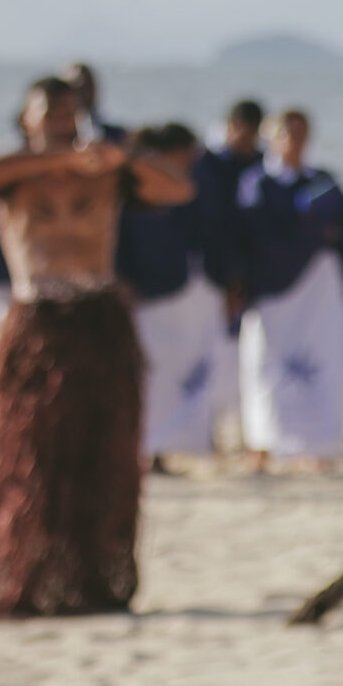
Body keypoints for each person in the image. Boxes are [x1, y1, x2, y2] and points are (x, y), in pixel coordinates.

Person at [0, 77, 192, 617]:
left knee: (102, 457)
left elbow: (176, 189)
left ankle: (94, 579)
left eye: (68, 113)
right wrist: (58, 159)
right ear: (27, 119)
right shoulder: (13, 175)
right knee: (27, 459)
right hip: (37, 316)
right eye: (48, 114)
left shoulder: (107, 170)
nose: (60, 121)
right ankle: (24, 578)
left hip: (99, 315)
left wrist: (121, 154)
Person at [229, 108, 343, 464]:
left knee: (325, 358)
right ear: (272, 137)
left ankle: (320, 443)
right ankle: (264, 441)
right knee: (267, 363)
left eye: (302, 133)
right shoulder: (258, 182)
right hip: (273, 288)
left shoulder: (323, 179)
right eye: (288, 133)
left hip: (319, 289)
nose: (296, 142)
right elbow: (252, 235)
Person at [118, 123, 222, 462]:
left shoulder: (187, 186)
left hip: (175, 291)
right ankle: (142, 449)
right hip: (141, 294)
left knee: (170, 377)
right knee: (144, 375)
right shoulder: (132, 184)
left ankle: (159, 449)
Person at [194, 99, 264, 442]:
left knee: (237, 354)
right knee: (208, 351)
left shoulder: (259, 164)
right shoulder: (208, 164)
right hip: (209, 269)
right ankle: (206, 430)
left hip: (245, 270)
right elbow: (210, 224)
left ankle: (239, 431)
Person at [59, 61, 130, 145]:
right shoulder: (52, 137)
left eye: (88, 86)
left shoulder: (115, 134)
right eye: (76, 86)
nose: (84, 93)